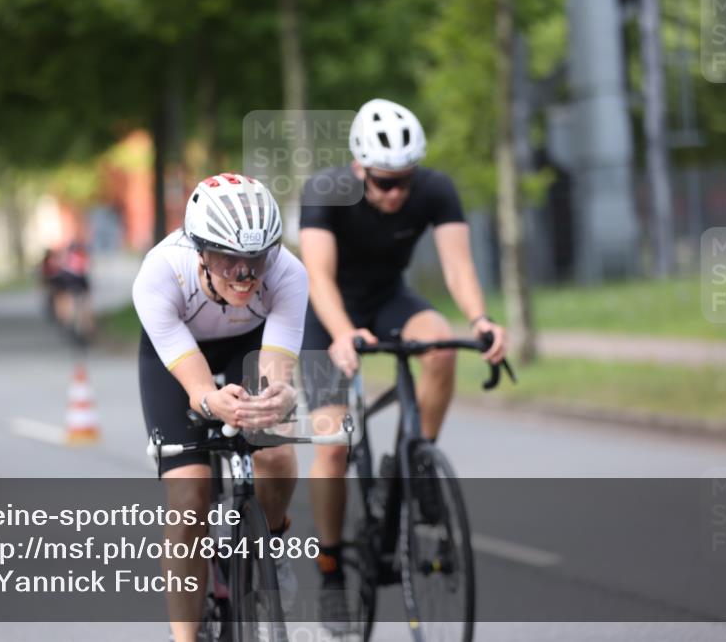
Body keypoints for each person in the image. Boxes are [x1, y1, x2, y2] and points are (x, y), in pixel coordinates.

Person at [299, 99, 508, 624]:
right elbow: (318, 277)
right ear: (358, 168)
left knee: (439, 343)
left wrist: (481, 320)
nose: (395, 193)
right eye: (382, 182)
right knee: (331, 448)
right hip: (326, 315)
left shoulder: (435, 190)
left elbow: (458, 267)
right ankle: (329, 570)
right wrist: (344, 333)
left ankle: (420, 460)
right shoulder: (327, 192)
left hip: (389, 299)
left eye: (403, 181)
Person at [133, 173, 307, 642]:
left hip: (246, 345)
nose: (245, 274)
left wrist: (279, 395)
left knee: (275, 449)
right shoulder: (160, 272)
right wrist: (211, 399)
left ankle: (268, 546)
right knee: (190, 499)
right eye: (229, 259)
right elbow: (197, 391)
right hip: (179, 355)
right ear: (200, 251)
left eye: (256, 258)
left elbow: (274, 370)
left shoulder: (288, 273)